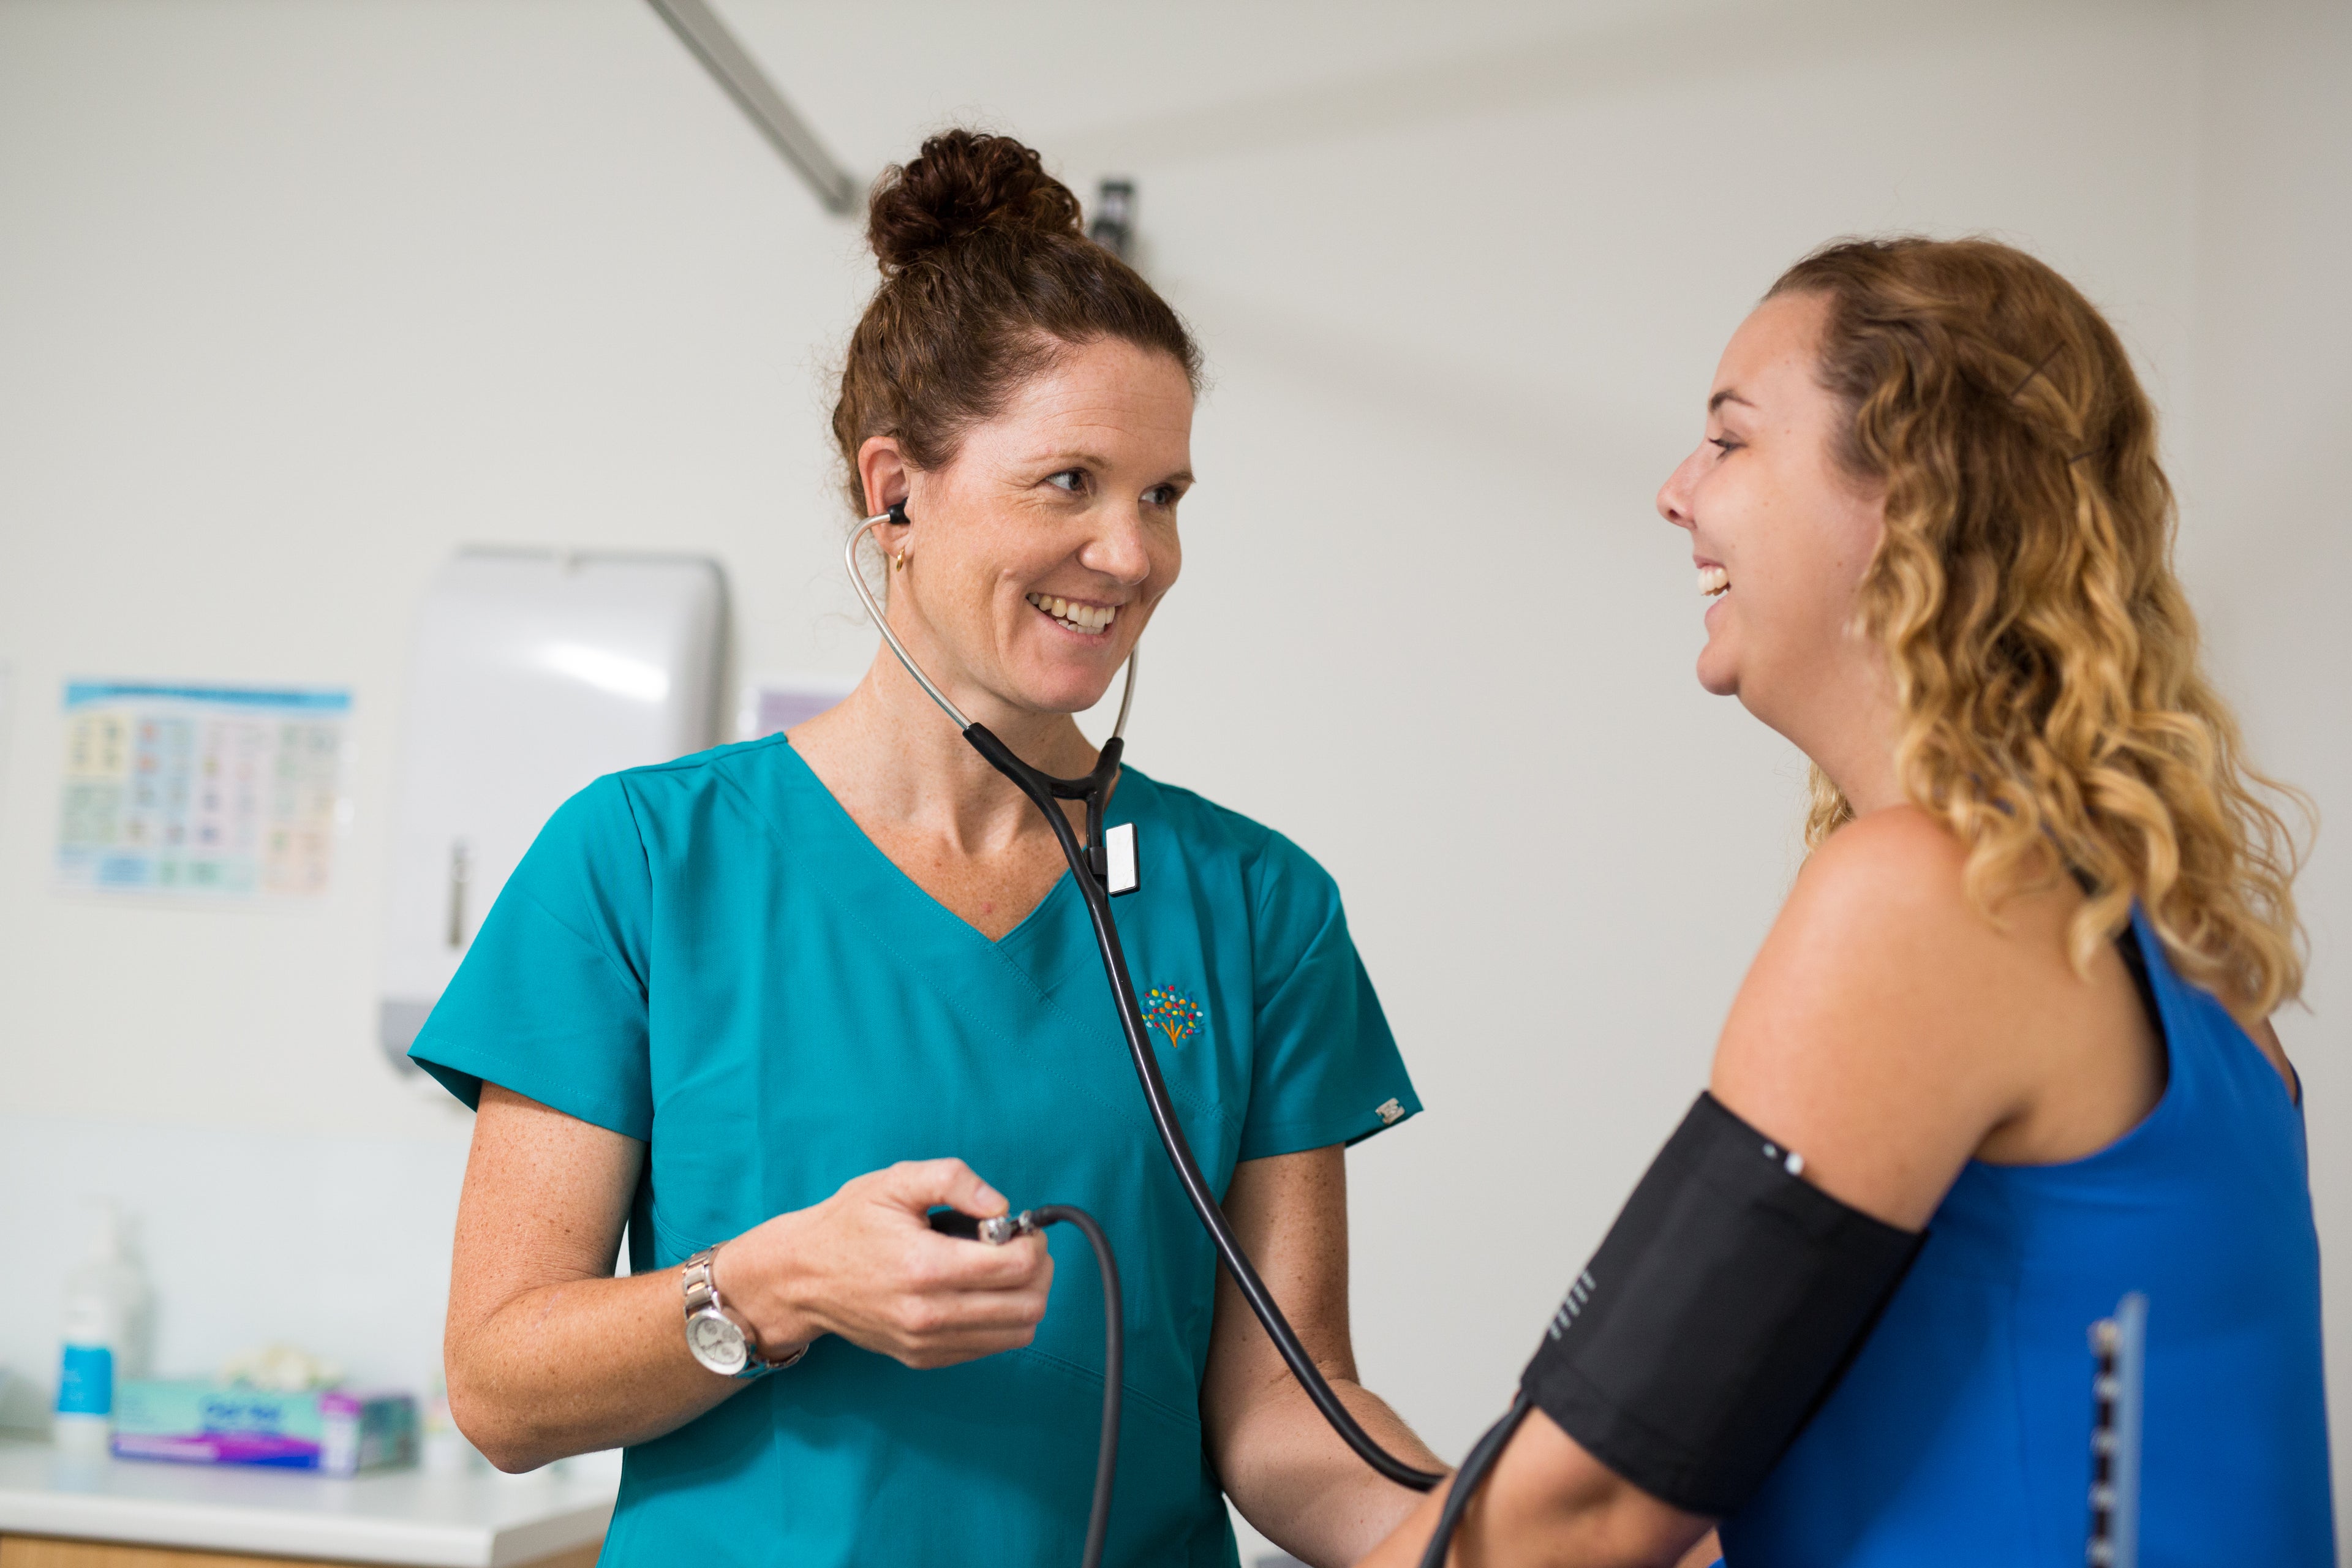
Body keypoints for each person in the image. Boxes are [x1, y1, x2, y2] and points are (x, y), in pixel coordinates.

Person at [411, 130, 1441, 1568]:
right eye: (1070, 481)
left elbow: (1285, 1408)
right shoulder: (644, 863)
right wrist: (780, 1282)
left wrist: (1493, 1536)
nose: (1134, 555)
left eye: (1165, 495)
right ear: (895, 489)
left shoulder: (1258, 906)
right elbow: (503, 1385)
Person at [1363, 236, 2331, 1567]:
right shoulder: (2182, 951)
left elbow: (1576, 1519)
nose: (1674, 491)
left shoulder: (1935, 894)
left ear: (1911, 500)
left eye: (1731, 440)